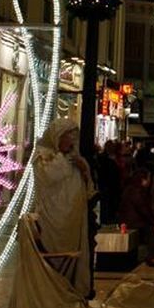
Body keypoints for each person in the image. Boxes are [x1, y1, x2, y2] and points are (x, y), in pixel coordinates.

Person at [31, 120, 94, 290]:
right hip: (52, 220)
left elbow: (88, 188)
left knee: (73, 260)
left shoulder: (75, 159)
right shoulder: (44, 157)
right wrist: (64, 160)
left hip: (73, 220)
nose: (71, 141)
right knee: (55, 260)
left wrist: (83, 169)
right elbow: (50, 178)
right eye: (67, 137)